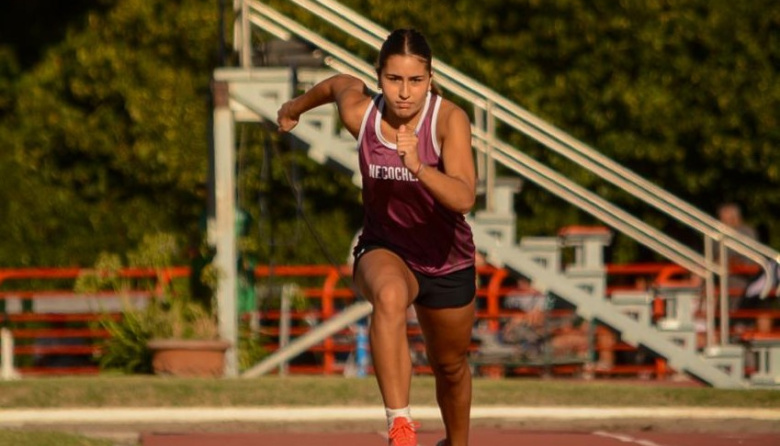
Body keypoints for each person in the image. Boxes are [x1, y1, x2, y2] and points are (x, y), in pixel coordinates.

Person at [277, 28, 477, 446]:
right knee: (387, 296)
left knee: (451, 365)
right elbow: (336, 85)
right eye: (393, 79)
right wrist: (293, 108)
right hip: (386, 247)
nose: (405, 93)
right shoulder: (362, 113)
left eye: (415, 81)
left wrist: (419, 166)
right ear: (380, 77)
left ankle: (458, 442)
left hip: (445, 258)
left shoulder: (447, 119)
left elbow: (463, 197)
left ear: (430, 78)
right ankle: (400, 426)